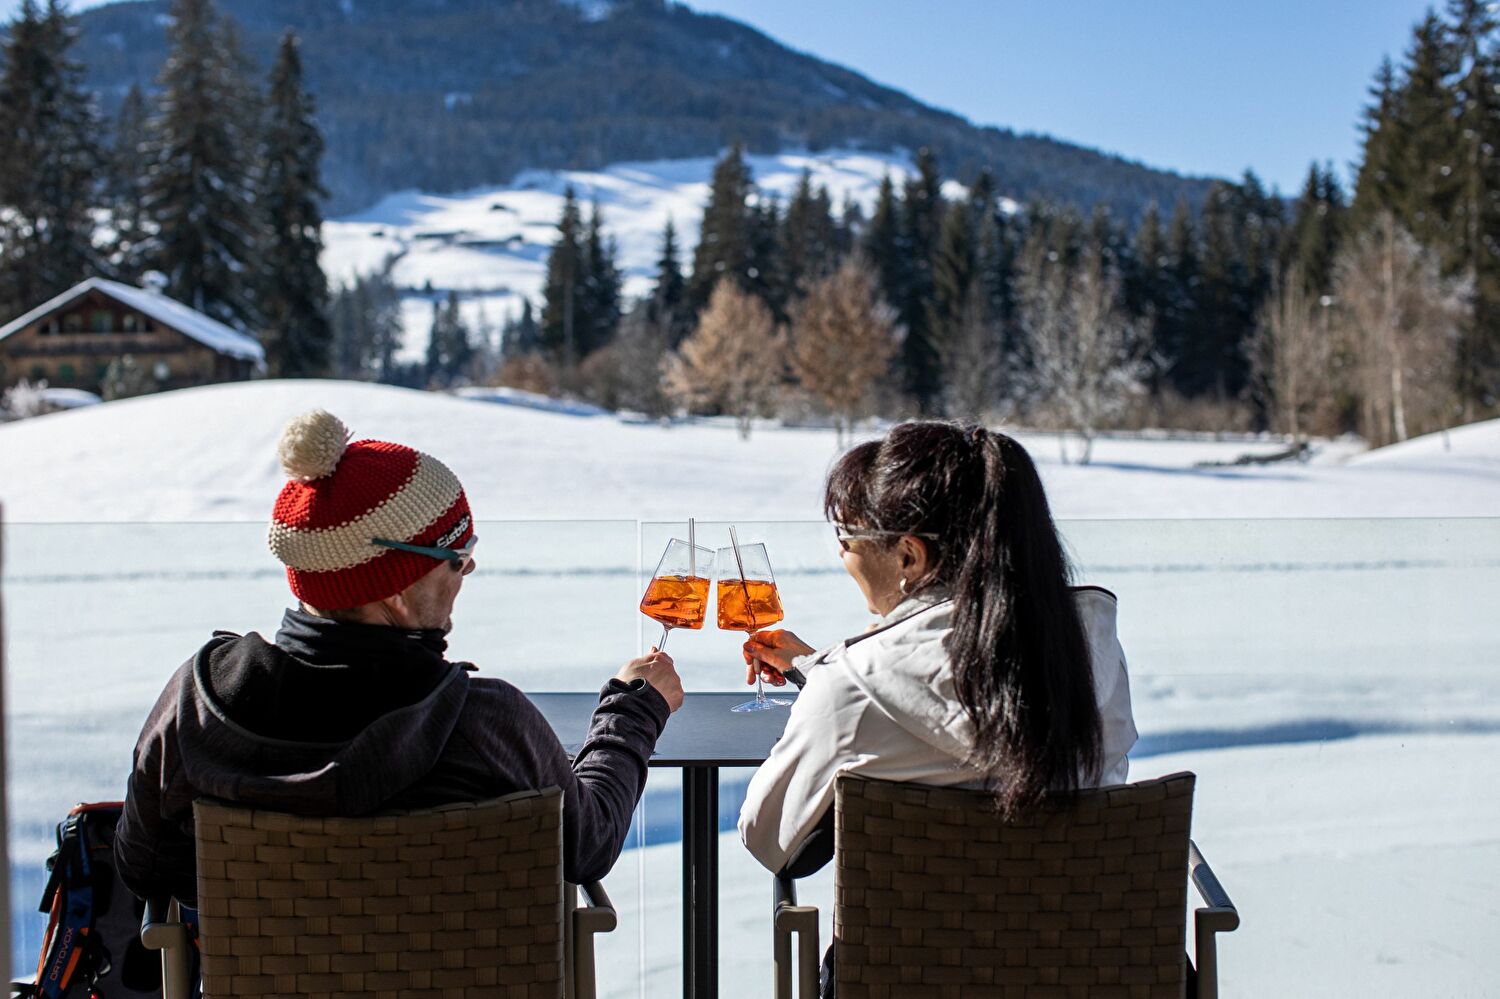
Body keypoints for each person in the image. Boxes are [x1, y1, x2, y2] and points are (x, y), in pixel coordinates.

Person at [115, 409, 682, 907]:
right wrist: (633, 710)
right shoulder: (482, 722)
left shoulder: (204, 699)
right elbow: (594, 841)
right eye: (459, 556)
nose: (469, 569)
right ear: (396, 587)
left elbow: (143, 866)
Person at [738, 422, 1137, 884]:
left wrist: (833, 684)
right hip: (1094, 947)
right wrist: (820, 669)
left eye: (846, 537)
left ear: (909, 555)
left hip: (908, 955)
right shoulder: (1085, 648)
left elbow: (769, 842)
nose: (842, 554)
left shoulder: (849, 690)